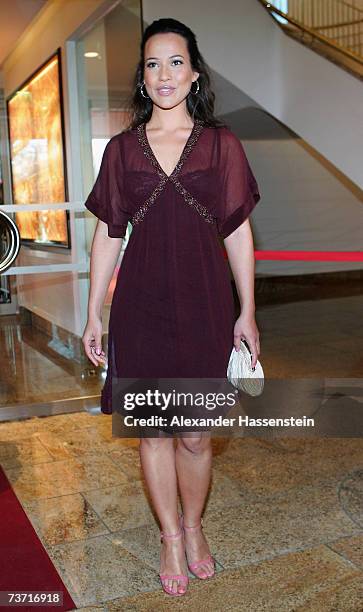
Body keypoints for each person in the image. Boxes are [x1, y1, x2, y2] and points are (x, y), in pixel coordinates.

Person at [82, 17, 261, 597]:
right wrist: (93, 314)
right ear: (142, 76)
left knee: (195, 435)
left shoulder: (221, 144)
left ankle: (194, 524)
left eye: (176, 62)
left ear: (195, 73)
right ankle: (170, 538)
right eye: (153, 63)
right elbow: (109, 234)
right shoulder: (120, 151)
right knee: (154, 433)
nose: (164, 74)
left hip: (206, 303)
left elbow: (238, 232)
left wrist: (248, 311)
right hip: (140, 306)